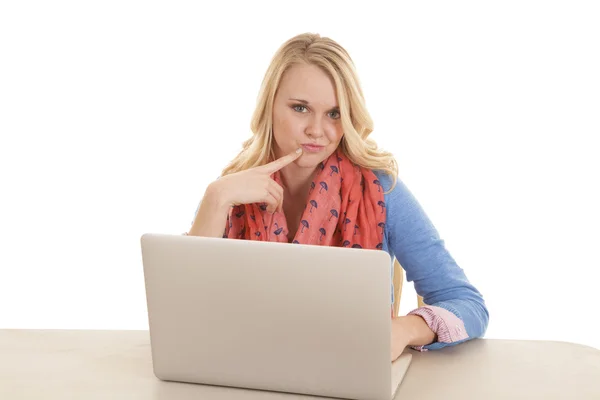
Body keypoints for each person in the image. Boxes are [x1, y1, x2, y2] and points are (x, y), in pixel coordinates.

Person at [186, 33, 489, 361]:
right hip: (244, 372)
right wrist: (215, 198)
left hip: (348, 374)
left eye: (334, 113)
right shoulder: (232, 192)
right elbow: (184, 312)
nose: (317, 130)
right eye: (300, 108)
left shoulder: (381, 191)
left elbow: (467, 304)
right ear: (268, 108)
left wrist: (403, 330)